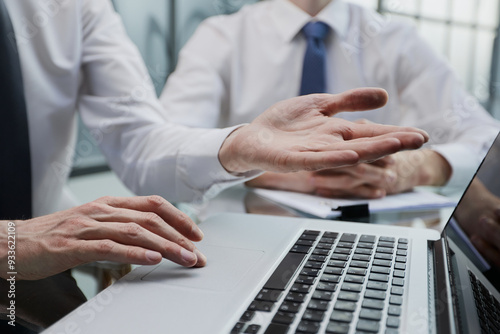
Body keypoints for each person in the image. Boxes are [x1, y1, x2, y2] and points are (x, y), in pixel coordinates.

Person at [0, 0, 428, 331]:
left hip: (38, 282)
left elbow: (140, 141)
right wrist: (12, 241)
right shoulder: (225, 33)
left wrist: (237, 145)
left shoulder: (75, 6)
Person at [160, 0, 500, 199]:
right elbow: (168, 147)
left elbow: (485, 138)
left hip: (375, 235)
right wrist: (264, 164)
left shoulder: (399, 41)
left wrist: (418, 167)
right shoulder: (221, 36)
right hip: (240, 231)